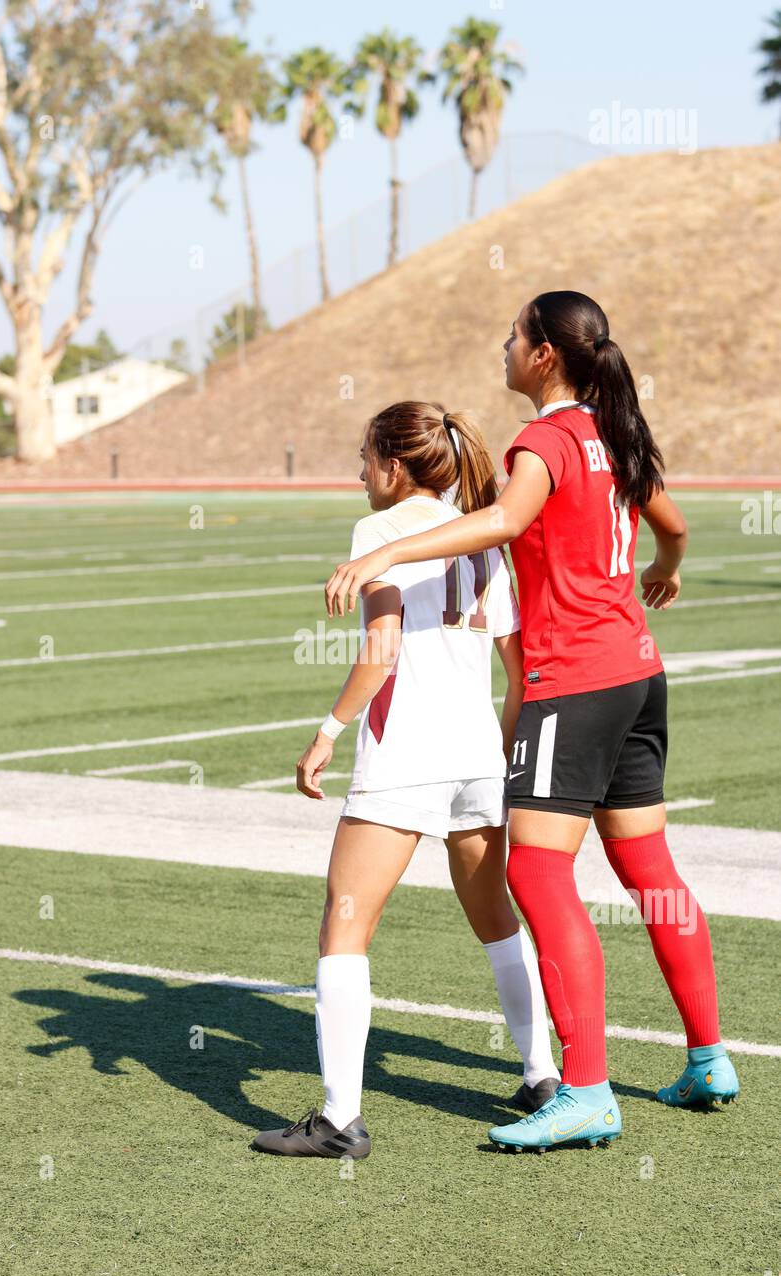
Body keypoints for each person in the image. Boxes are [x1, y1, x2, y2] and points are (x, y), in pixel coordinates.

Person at [325, 292, 739, 1154]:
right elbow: (676, 522)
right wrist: (663, 568)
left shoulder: (544, 439)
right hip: (638, 672)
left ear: (545, 354)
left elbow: (509, 518)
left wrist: (386, 550)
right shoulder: (616, 431)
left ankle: (584, 1089)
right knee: (649, 870)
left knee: (540, 877)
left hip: (574, 683)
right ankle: (708, 1055)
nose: (503, 347)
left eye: (513, 336)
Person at [252, 400, 560, 1159]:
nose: (358, 471)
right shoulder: (486, 532)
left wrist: (326, 732)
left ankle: (338, 1119)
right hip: (477, 754)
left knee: (344, 926)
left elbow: (382, 648)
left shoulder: (379, 531)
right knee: (496, 919)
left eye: (365, 456)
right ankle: (542, 1074)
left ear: (395, 466)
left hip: (407, 756)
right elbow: (519, 672)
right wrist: (496, 753)